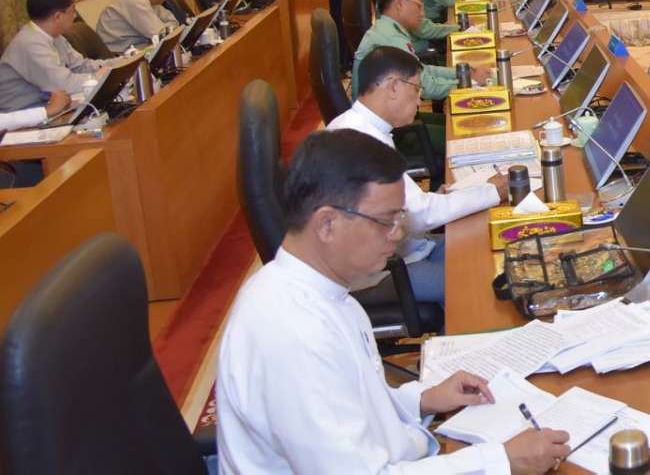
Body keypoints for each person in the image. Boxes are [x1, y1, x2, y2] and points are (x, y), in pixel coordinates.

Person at [216, 129, 571, 473]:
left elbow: (356, 406)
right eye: (386, 221)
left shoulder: (325, 291)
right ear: (326, 224)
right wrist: (500, 460)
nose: (398, 234)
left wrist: (421, 400)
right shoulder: (292, 334)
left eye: (400, 217)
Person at [326, 48, 505, 301]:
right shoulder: (359, 141)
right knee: (477, 283)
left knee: (483, 246)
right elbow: (420, 215)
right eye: (416, 89)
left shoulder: (360, 127)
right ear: (393, 87)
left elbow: (406, 205)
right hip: (381, 271)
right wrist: (493, 192)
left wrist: (437, 197)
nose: (420, 100)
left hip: (407, 248)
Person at [354, 0, 488, 101]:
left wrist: (464, 73)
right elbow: (427, 87)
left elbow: (421, 70)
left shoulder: (386, 29)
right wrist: (470, 82)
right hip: (387, 118)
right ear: (399, 3)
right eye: (419, 5)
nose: (422, 13)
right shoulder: (392, 39)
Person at [0, 0, 110, 111]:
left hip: (48, 105)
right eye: (73, 11)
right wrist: (97, 77)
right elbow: (65, 85)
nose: (75, 16)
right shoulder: (30, 44)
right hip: (25, 114)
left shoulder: (54, 36)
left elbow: (79, 66)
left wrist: (114, 65)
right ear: (58, 16)